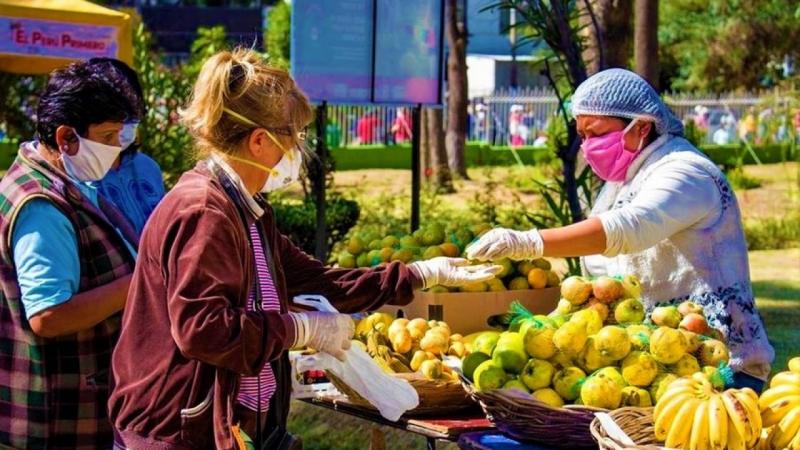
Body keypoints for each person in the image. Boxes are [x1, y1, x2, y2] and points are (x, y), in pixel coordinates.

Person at [108, 49, 497, 449]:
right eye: (292, 138)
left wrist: (420, 274)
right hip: (177, 431)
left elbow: (319, 281)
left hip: (228, 426)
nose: (295, 151)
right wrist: (302, 328)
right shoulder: (205, 212)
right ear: (259, 141)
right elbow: (203, 330)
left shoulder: (247, 209)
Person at [465, 69, 774, 392]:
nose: (588, 146)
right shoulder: (625, 179)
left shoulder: (686, 172)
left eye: (596, 133)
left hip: (716, 366)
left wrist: (528, 242)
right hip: (649, 365)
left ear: (641, 126)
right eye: (582, 135)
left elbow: (628, 228)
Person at [0, 60, 141, 448]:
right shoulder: (40, 206)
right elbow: (48, 315)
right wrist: (140, 282)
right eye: (107, 136)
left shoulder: (65, 179)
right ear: (66, 137)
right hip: (61, 416)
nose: (116, 148)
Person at [87, 58, 166, 235]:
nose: (122, 128)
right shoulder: (81, 173)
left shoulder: (148, 168)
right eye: (115, 118)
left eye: (132, 116)